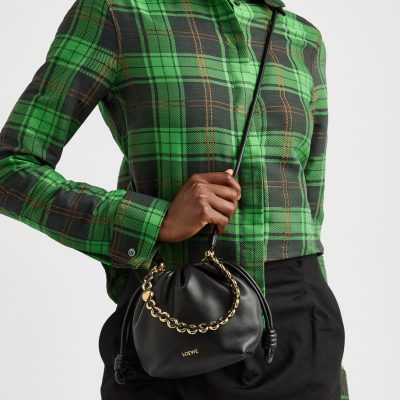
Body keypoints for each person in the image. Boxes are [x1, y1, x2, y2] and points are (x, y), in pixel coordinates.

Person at [0, 0, 350, 399]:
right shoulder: (118, 13)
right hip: (176, 325)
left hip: (300, 336)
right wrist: (152, 221)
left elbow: (310, 215)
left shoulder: (301, 38)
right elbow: (10, 167)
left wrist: (334, 373)